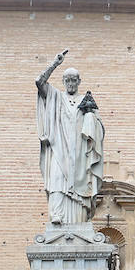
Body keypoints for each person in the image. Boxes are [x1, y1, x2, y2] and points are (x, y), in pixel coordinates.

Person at [36, 50, 105, 225]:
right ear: (63, 82)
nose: (71, 83)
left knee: (80, 183)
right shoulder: (56, 96)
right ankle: (56, 215)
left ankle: (79, 221)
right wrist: (55, 64)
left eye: (74, 80)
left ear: (79, 82)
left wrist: (90, 119)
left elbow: (100, 128)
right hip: (58, 147)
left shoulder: (86, 101)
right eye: (67, 80)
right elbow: (39, 82)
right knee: (57, 180)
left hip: (80, 152)